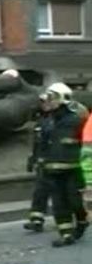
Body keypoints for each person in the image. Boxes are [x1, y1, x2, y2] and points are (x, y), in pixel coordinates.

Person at [36, 83, 88, 247]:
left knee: (75, 201)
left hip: (73, 169)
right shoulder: (47, 121)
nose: (48, 101)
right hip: (51, 170)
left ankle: (81, 220)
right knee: (59, 203)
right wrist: (39, 160)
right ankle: (66, 234)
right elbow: (42, 144)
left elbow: (86, 143)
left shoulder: (78, 119)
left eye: (52, 97)